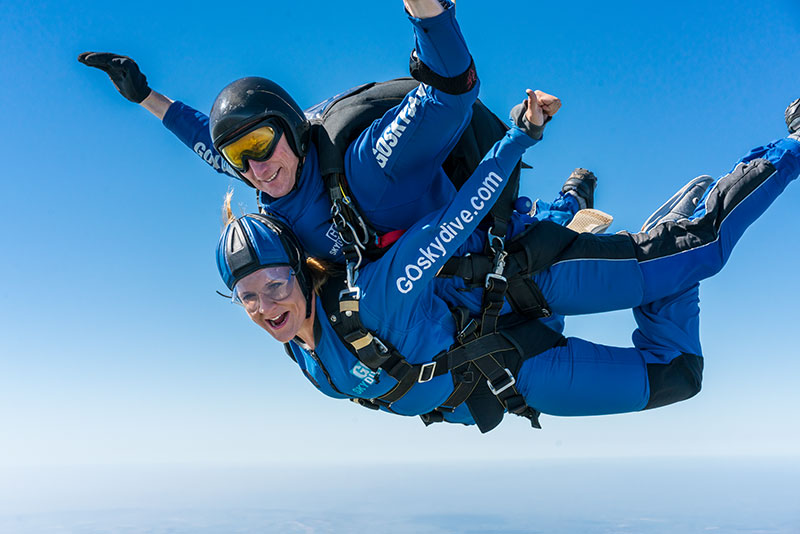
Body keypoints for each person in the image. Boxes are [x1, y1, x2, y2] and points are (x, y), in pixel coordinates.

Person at [216, 95, 800, 432]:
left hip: (519, 282)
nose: (266, 307)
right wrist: (147, 100)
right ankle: (615, 231)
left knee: (703, 255)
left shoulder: (376, 294)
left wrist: (519, 138)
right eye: (247, 299)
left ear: (301, 270)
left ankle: (786, 151)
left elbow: (461, 218)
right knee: (679, 377)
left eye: (273, 286)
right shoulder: (301, 350)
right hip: (512, 379)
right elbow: (218, 147)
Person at [78, 0, 598, 265]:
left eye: (259, 145)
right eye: (240, 158)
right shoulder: (263, 169)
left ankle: (574, 193)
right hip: (413, 270)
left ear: (288, 133)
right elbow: (206, 143)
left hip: (483, 234)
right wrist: (144, 95)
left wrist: (428, 13)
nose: (254, 168)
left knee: (553, 222)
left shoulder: (367, 163)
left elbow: (448, 93)